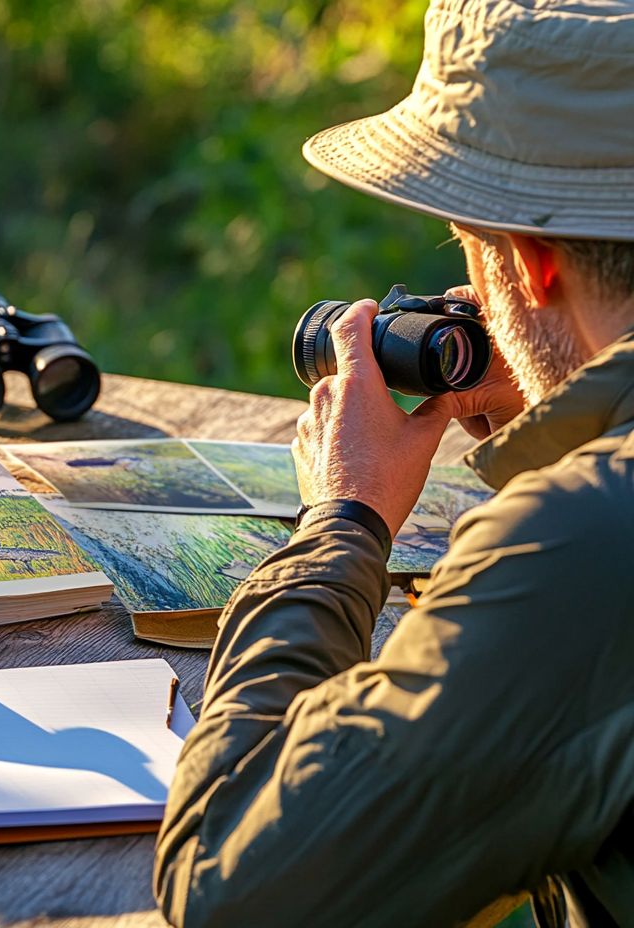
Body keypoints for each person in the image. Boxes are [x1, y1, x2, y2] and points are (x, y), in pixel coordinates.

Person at [152, 1, 634, 925]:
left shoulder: (591, 541)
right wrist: (564, 406)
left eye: (468, 240)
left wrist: (343, 519)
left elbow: (233, 886)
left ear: (530, 263)